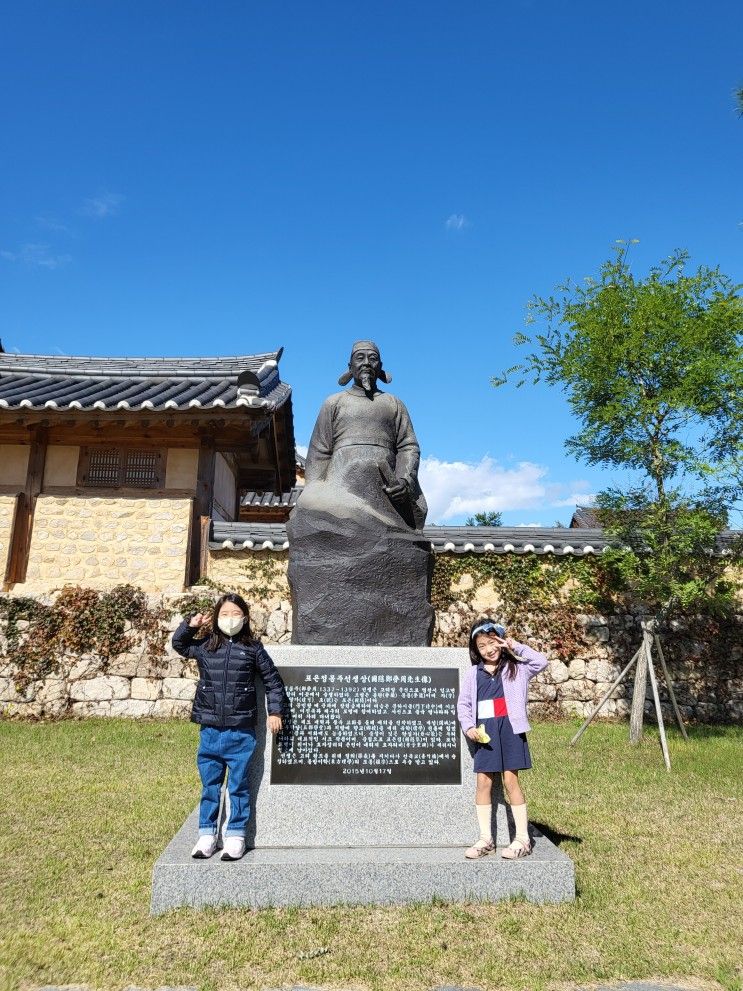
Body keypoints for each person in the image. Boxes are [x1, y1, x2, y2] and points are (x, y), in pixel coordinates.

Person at [172, 592, 286, 861]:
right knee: (210, 785)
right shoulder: (205, 646)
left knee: (238, 785)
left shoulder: (253, 649)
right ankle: (207, 835)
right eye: (225, 614)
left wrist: (276, 711)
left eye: (235, 614)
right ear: (216, 617)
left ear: (245, 618)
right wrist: (190, 624)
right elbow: (180, 645)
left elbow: (272, 681)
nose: (230, 619)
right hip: (210, 729)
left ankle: (235, 835)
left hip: (241, 731)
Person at [457, 617, 548, 860]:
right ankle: (486, 839)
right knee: (483, 783)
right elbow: (464, 705)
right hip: (485, 734)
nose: (489, 649)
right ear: (475, 650)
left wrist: (514, 646)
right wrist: (468, 727)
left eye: (492, 642)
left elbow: (541, 661)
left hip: (510, 730)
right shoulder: (473, 674)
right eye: (482, 646)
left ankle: (522, 839)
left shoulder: (516, 668)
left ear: (500, 640)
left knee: (511, 782)